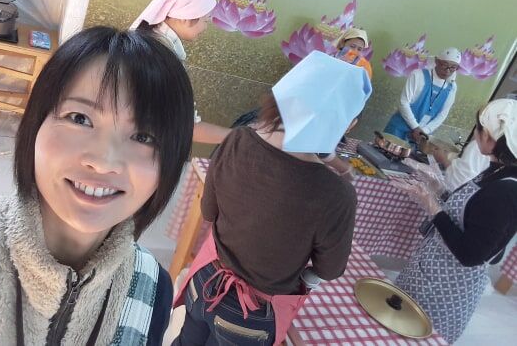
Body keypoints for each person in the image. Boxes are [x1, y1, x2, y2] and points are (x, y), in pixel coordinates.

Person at [0, 27, 195, 345]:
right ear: (35, 122)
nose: (103, 161)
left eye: (143, 137)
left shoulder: (152, 290)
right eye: (79, 118)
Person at [172, 51, 372, 345]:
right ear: (349, 123)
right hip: (250, 316)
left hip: (204, 285)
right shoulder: (337, 194)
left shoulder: (237, 139)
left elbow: (209, 211)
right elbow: (329, 269)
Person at [392, 99, 517, 343]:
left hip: (444, 291)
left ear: (491, 137)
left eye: (479, 129)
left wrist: (432, 205)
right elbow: (472, 214)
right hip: (428, 273)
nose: (476, 135)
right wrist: (438, 189)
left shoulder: (505, 192)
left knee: (411, 338)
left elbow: (470, 254)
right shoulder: (497, 169)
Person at [130, 0, 231, 144]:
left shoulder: (152, 41)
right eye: (206, 20)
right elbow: (185, 127)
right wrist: (243, 138)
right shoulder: (161, 56)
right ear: (186, 18)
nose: (205, 28)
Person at [384, 47, 461, 143]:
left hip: (420, 137)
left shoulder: (452, 87)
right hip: (398, 130)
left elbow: (442, 114)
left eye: (453, 67)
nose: (447, 70)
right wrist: (415, 127)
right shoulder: (418, 75)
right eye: (445, 65)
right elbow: (403, 102)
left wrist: (424, 131)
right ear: (437, 61)